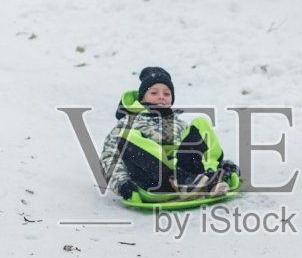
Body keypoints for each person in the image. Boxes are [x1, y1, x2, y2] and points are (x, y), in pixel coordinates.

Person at [99, 66, 237, 201]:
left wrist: (224, 164)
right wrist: (121, 184)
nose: (161, 97)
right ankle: (178, 180)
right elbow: (110, 156)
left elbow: (199, 151)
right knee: (128, 137)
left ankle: (209, 177)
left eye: (166, 93)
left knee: (201, 123)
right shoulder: (128, 122)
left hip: (191, 177)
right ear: (142, 98)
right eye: (154, 93)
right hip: (155, 179)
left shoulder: (179, 125)